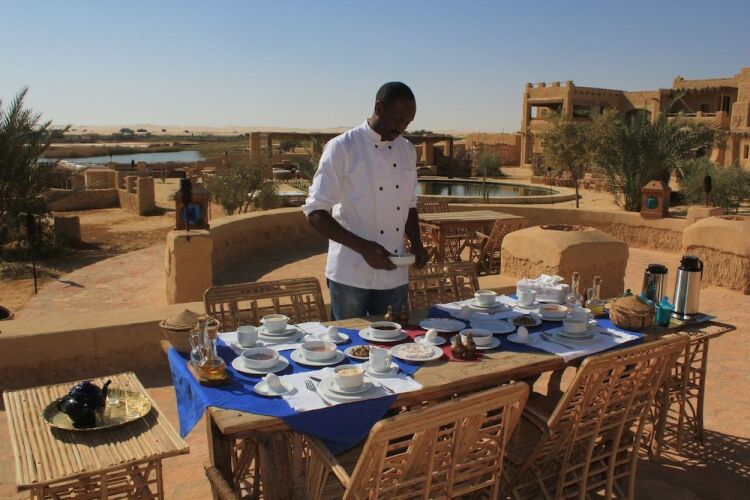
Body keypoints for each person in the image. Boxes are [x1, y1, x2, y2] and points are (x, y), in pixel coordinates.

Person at [303, 82, 428, 320]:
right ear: (379, 108)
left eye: (408, 122)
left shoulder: (407, 151)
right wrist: (364, 248)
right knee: (350, 340)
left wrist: (416, 242)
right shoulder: (342, 147)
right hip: (350, 275)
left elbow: (409, 204)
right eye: (398, 120)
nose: (402, 128)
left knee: (396, 337)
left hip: (395, 273)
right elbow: (315, 212)